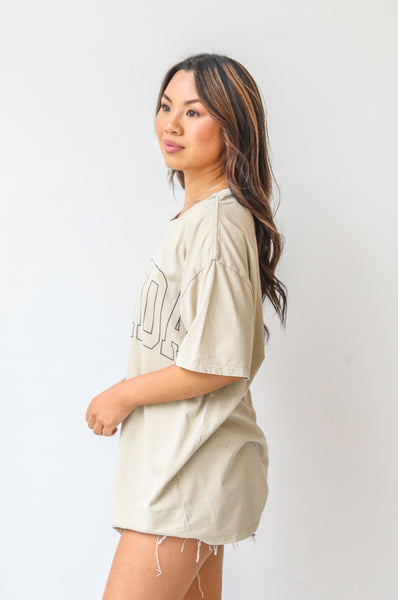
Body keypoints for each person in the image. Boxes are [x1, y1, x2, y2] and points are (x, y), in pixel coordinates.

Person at [85, 52, 287, 600]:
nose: (171, 124)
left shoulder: (218, 226)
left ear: (232, 127)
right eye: (166, 106)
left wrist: (121, 395)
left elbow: (216, 365)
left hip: (188, 474)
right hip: (181, 466)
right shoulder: (201, 219)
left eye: (193, 112)